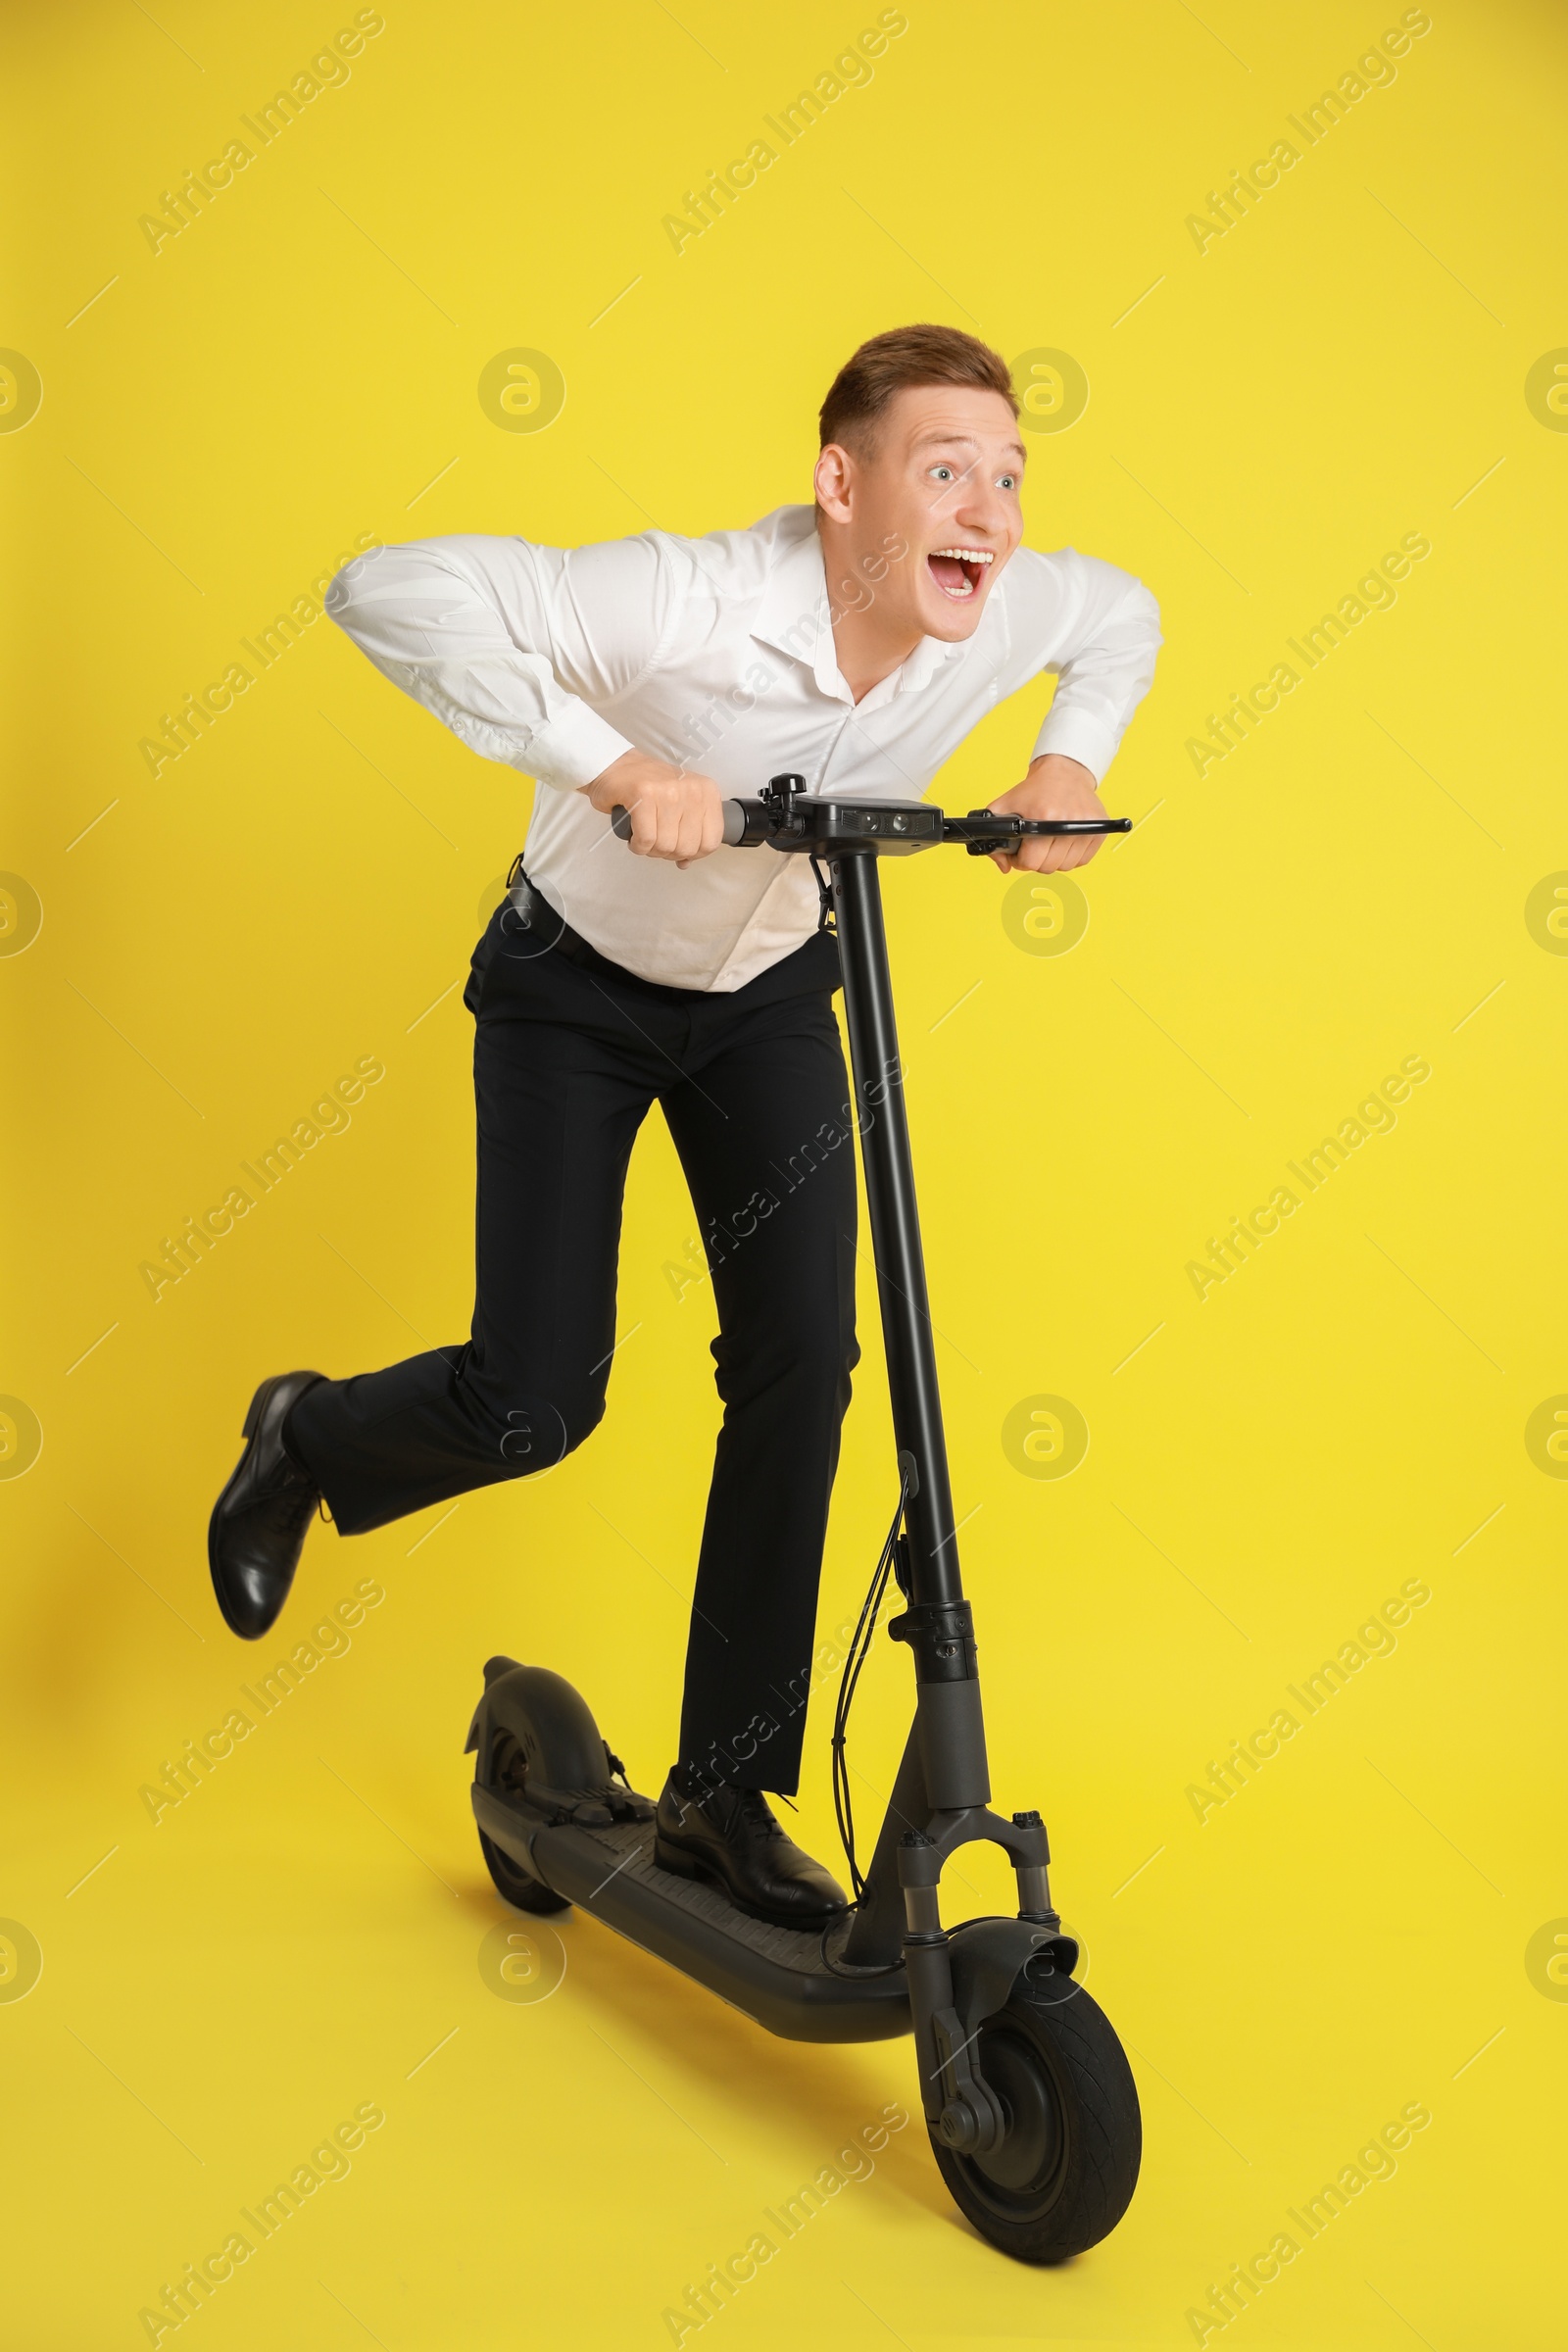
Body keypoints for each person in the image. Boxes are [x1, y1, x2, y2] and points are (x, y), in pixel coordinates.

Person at [207, 323, 1160, 1928]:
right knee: (535, 1401)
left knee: (809, 1364)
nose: (989, 511)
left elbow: (1123, 612)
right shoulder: (691, 595)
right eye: (947, 470)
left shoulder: (1006, 604)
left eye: (1007, 475)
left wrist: (1069, 756)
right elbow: (384, 586)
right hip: (573, 991)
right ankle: (306, 1437)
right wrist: (607, 763)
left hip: (774, 996)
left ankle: (726, 1794)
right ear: (838, 483)